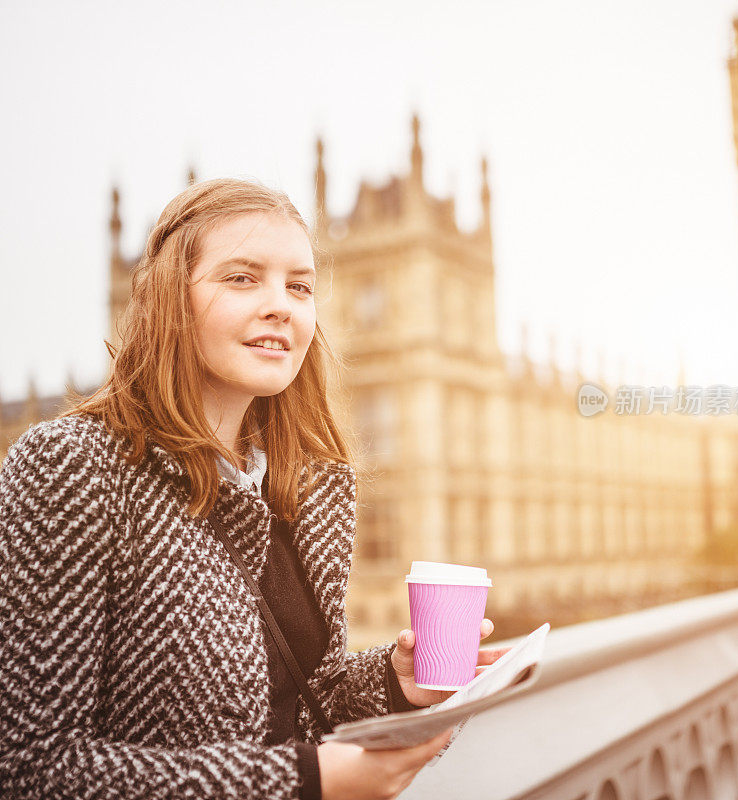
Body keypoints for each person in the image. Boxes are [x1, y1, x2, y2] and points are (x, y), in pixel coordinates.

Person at [0, 178, 509, 800]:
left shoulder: (314, 486)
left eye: (300, 286)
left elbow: (301, 696)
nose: (282, 305)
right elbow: (29, 768)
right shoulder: (71, 467)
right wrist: (301, 782)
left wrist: (397, 682)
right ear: (168, 299)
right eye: (242, 278)